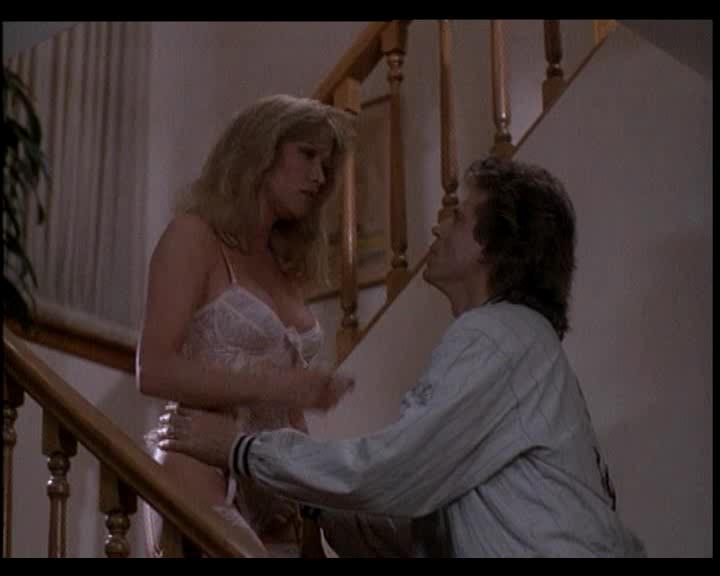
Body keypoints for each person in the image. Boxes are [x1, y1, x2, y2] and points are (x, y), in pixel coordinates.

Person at [156, 156, 647, 557]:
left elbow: (392, 472)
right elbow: (419, 529)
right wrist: (312, 501)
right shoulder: (518, 342)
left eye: (457, 217)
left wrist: (243, 449)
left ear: (491, 246)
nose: (437, 227)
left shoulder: (497, 335)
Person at [136, 94, 356, 557]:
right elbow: (152, 369)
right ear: (261, 149)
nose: (319, 177)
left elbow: (291, 408)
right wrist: (281, 386)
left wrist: (307, 496)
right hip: (198, 461)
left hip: (271, 478)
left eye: (325, 165)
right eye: (307, 155)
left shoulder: (284, 263)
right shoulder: (194, 236)